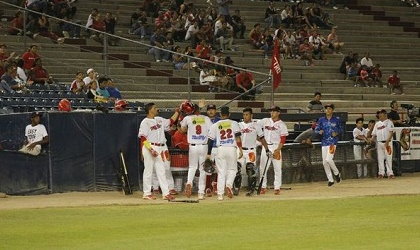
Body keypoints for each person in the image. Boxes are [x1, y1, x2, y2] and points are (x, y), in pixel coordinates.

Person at [138, 102, 180, 200]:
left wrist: (178, 111)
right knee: (148, 171)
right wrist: (150, 149)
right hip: (149, 147)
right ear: (150, 110)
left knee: (161, 170)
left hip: (160, 147)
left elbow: (171, 121)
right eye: (155, 108)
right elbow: (143, 138)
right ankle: (147, 193)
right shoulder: (145, 122)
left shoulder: (159, 119)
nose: (157, 109)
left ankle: (165, 193)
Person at [206, 106, 242, 201]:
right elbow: (238, 137)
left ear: (220, 114)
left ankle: (220, 195)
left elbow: (210, 141)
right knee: (233, 170)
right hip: (231, 148)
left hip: (220, 149)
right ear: (229, 114)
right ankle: (229, 185)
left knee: (221, 172)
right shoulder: (234, 123)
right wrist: (241, 149)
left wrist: (209, 153)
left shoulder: (215, 125)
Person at [180, 104, 212, 200]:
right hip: (203, 145)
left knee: (192, 167)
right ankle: (201, 193)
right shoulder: (206, 118)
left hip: (193, 146)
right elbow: (211, 131)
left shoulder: (188, 118)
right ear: (199, 110)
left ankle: (189, 182)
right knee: (202, 169)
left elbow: (182, 130)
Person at [236, 108, 270, 196]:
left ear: (251, 115)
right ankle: (236, 188)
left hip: (251, 151)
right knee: (237, 169)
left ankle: (251, 190)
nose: (245, 116)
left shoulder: (256, 125)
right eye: (244, 115)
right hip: (240, 150)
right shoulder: (239, 125)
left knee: (251, 170)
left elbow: (262, 138)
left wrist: (267, 149)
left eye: (247, 114)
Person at [258, 106, 288, 195]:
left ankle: (277, 187)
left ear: (278, 113)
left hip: (276, 146)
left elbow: (283, 139)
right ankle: (263, 187)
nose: (272, 113)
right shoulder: (265, 121)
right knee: (263, 168)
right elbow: (255, 126)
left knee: (277, 168)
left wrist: (278, 150)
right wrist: (259, 138)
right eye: (271, 111)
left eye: (274, 111)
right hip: (266, 147)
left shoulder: (282, 124)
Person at [315, 103, 342, 187]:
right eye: (326, 109)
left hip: (332, 142)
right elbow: (316, 129)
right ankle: (330, 179)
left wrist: (336, 133)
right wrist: (319, 132)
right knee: (324, 162)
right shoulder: (321, 120)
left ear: (332, 110)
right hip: (324, 142)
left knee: (329, 159)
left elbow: (341, 129)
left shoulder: (337, 120)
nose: (328, 110)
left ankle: (337, 173)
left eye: (330, 109)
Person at [371, 109, 395, 179]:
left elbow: (391, 132)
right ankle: (381, 173)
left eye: (381, 114)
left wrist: (387, 142)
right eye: (379, 115)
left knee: (388, 158)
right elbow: (374, 134)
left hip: (387, 143)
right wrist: (371, 140)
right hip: (379, 143)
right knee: (380, 159)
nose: (380, 116)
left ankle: (390, 173)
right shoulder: (377, 124)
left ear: (385, 115)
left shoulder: (389, 122)